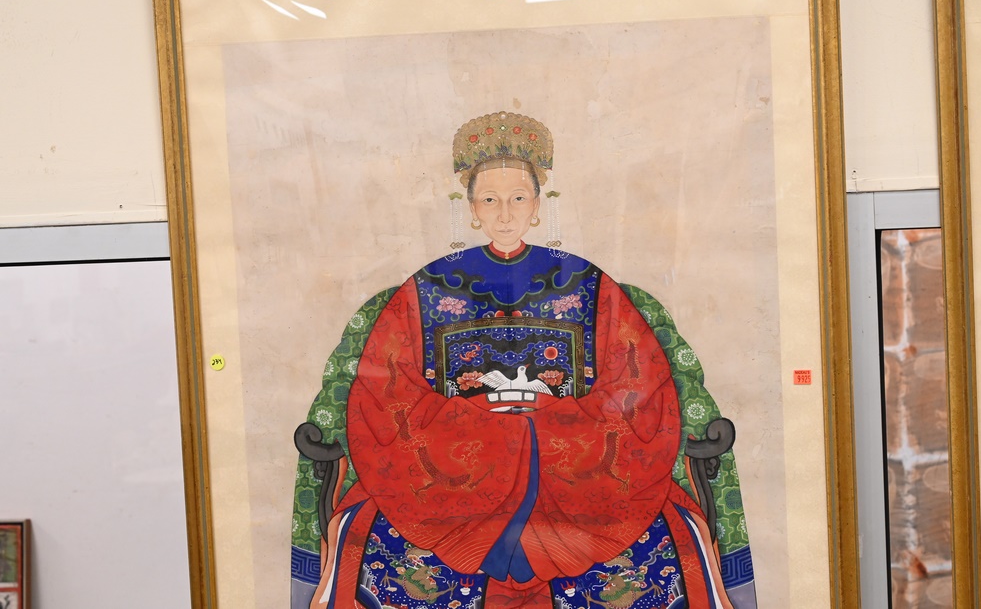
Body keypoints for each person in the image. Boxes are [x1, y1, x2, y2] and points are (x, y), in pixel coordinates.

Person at [308, 112, 736, 608]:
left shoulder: (587, 283)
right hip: (454, 465)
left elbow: (639, 386)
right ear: (471, 208)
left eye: (518, 199)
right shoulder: (425, 288)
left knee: (679, 532)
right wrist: (489, 432)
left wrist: (542, 431)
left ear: (537, 204)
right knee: (358, 528)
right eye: (490, 200)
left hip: (573, 463)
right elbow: (386, 393)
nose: (505, 215)